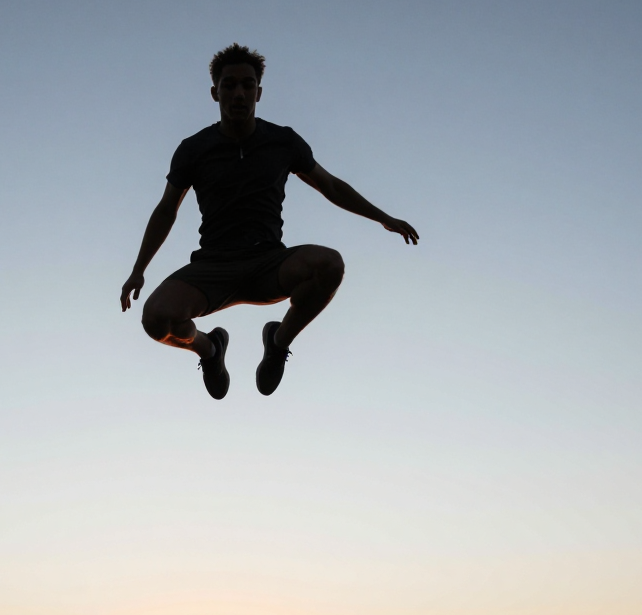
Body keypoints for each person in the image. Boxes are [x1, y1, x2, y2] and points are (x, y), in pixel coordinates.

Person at [120, 43, 418, 399]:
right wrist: (139, 269)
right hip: (213, 267)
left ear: (259, 92)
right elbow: (166, 209)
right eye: (229, 85)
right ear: (215, 92)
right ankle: (210, 349)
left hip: (268, 263)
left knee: (329, 265)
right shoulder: (194, 149)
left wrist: (383, 217)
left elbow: (330, 185)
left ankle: (278, 342)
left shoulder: (282, 141)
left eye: (247, 85)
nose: (238, 94)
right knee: (156, 320)